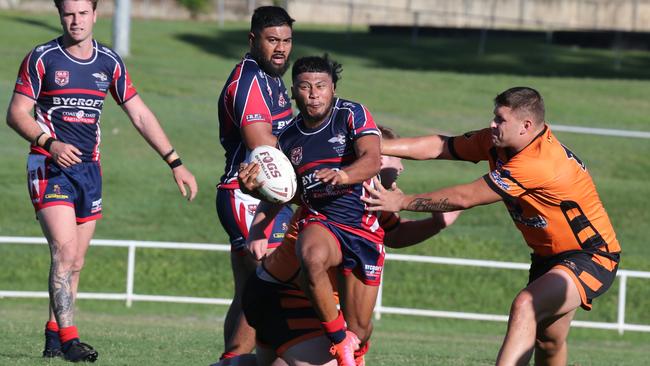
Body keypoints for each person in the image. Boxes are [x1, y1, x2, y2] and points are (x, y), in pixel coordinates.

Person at [362, 87, 621, 366]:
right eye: (494, 117)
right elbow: (441, 146)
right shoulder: (498, 142)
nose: (492, 124)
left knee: (526, 305)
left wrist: (401, 201)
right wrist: (375, 145)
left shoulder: (539, 163)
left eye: (500, 120)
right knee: (549, 340)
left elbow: (466, 197)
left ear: (526, 126)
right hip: (549, 257)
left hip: (592, 256)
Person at [6, 0, 198, 362]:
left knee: (75, 260)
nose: (75, 21)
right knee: (63, 251)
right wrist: (50, 142)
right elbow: (16, 114)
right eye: (68, 14)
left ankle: (53, 337)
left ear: (96, 14)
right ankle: (70, 341)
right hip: (50, 166)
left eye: (82, 13)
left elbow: (139, 114)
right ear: (60, 15)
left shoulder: (108, 62)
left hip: (90, 171)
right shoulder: (42, 58)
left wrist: (175, 161)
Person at [233, 126, 461, 366]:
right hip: (286, 298)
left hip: (290, 299)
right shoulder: (336, 189)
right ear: (378, 158)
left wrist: (436, 224)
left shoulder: (368, 197)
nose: (402, 167)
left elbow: (394, 233)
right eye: (399, 160)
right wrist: (259, 227)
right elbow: (286, 186)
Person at [239, 54, 384, 366]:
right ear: (294, 91)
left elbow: (373, 159)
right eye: (305, 87)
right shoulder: (288, 137)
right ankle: (338, 339)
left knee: (361, 327)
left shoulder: (351, 114)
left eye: (321, 86)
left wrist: (344, 175)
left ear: (333, 89)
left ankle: (349, 342)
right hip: (321, 221)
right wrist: (255, 211)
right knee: (312, 255)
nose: (314, 93)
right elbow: (282, 193)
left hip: (361, 230)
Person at [214, 5, 296, 363]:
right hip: (246, 194)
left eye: (287, 41)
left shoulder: (272, 78)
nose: (280, 48)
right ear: (253, 40)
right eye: (272, 40)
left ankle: (229, 361)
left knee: (248, 290)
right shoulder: (247, 81)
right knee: (267, 286)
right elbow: (264, 148)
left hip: (268, 197)